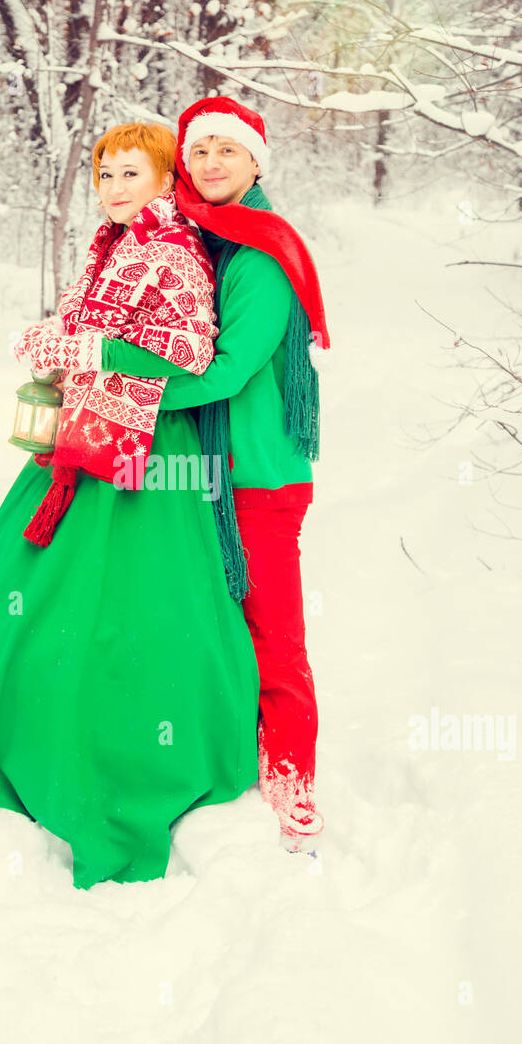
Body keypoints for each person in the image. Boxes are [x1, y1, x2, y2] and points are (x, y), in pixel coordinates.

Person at [0, 121, 260, 890]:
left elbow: (189, 352)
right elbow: (89, 323)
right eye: (105, 174)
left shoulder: (172, 253)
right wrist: (55, 341)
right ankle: (17, 727)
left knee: (134, 605)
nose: (114, 187)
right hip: (86, 429)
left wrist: (84, 351)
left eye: (131, 173)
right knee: (31, 595)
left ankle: (125, 756)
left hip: (143, 448)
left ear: (165, 180)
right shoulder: (113, 244)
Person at [96, 97, 331, 852]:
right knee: (213, 621)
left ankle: (291, 769)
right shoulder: (209, 239)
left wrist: (126, 391)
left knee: (272, 626)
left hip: (259, 475)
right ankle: (222, 747)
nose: (211, 164)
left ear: (257, 161)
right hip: (207, 472)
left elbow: (227, 370)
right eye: (199, 153)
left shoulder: (261, 252)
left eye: (228, 151)